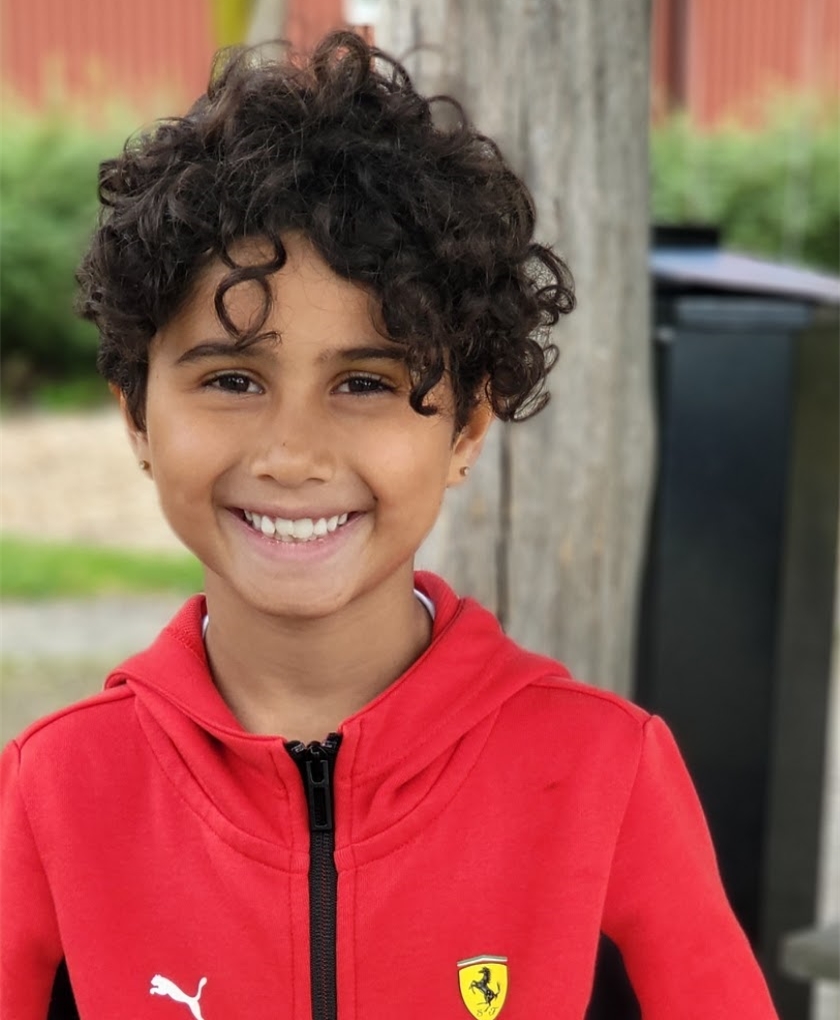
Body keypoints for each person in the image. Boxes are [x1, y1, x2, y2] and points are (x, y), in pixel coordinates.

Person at [0, 30, 778, 1020]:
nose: (293, 454)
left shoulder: (605, 771)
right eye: (232, 379)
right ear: (138, 417)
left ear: (467, 429)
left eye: (365, 383)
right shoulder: (52, 790)